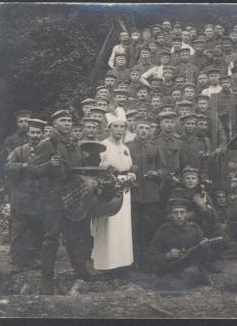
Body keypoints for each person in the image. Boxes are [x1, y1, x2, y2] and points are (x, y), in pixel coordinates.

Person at [30, 110, 95, 294]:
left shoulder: (74, 144)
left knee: (74, 237)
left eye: (69, 121)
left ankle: (81, 272)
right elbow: (33, 171)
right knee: (51, 239)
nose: (67, 123)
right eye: (63, 120)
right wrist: (49, 165)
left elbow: (79, 170)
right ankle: (46, 280)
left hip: (73, 199)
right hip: (53, 200)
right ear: (55, 123)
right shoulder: (47, 144)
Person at [91, 111, 136, 277]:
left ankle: (122, 262)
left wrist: (131, 175)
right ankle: (105, 264)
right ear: (109, 128)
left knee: (122, 225)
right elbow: (97, 170)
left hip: (125, 190)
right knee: (108, 225)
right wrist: (108, 182)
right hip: (108, 190)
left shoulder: (125, 148)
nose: (119, 130)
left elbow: (128, 167)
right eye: (116, 127)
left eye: (122, 127)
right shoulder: (102, 146)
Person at [143, 198, 216, 287]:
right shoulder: (163, 231)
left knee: (190, 273)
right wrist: (167, 255)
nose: (179, 216)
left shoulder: (194, 229)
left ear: (187, 214)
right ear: (170, 215)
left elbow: (204, 259)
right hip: (169, 269)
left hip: (189, 268)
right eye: (175, 213)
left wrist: (205, 248)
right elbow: (149, 258)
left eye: (182, 212)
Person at [5, 118, 46, 274]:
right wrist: (24, 165)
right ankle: (17, 261)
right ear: (28, 133)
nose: (35, 135)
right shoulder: (19, 151)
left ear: (42, 134)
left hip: (40, 197)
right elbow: (8, 167)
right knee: (19, 230)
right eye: (33, 132)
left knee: (37, 229)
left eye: (38, 133)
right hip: (22, 196)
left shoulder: (48, 151)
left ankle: (32, 259)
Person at [126, 117, 168, 269]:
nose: (144, 131)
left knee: (149, 228)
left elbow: (164, 169)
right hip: (133, 195)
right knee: (132, 228)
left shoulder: (155, 148)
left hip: (151, 195)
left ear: (150, 131)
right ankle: (131, 260)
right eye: (141, 128)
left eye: (147, 128)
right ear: (135, 129)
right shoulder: (127, 147)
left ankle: (147, 261)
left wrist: (157, 174)